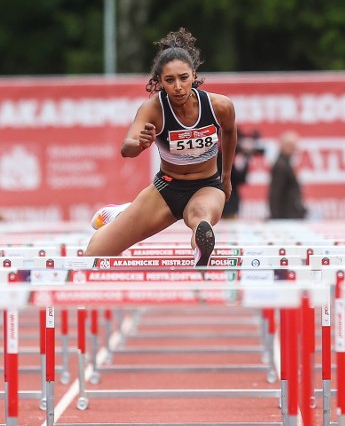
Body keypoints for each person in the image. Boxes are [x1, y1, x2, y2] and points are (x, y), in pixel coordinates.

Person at [86, 28, 237, 266]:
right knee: (94, 254)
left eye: (183, 78)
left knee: (200, 216)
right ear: (159, 82)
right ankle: (122, 214)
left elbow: (229, 132)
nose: (178, 86)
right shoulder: (154, 110)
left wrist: (226, 176)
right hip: (166, 189)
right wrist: (140, 143)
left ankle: (201, 250)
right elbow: (126, 148)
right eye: (170, 80)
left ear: (194, 75)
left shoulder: (220, 106)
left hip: (207, 186)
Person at [268, 129, 307, 219]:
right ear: (284, 146)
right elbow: (275, 193)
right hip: (286, 216)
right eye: (292, 146)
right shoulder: (281, 166)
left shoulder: (286, 164)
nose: (295, 149)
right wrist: (275, 216)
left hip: (290, 214)